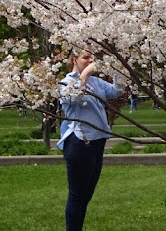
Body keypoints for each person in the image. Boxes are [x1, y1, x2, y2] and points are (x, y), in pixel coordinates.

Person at [58, 49, 124, 231]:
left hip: (98, 141)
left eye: (91, 58)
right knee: (77, 195)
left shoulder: (96, 82)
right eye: (85, 58)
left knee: (87, 194)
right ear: (74, 60)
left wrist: (119, 70)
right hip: (80, 142)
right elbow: (72, 98)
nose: (90, 61)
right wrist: (85, 74)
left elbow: (116, 91)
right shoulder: (67, 82)